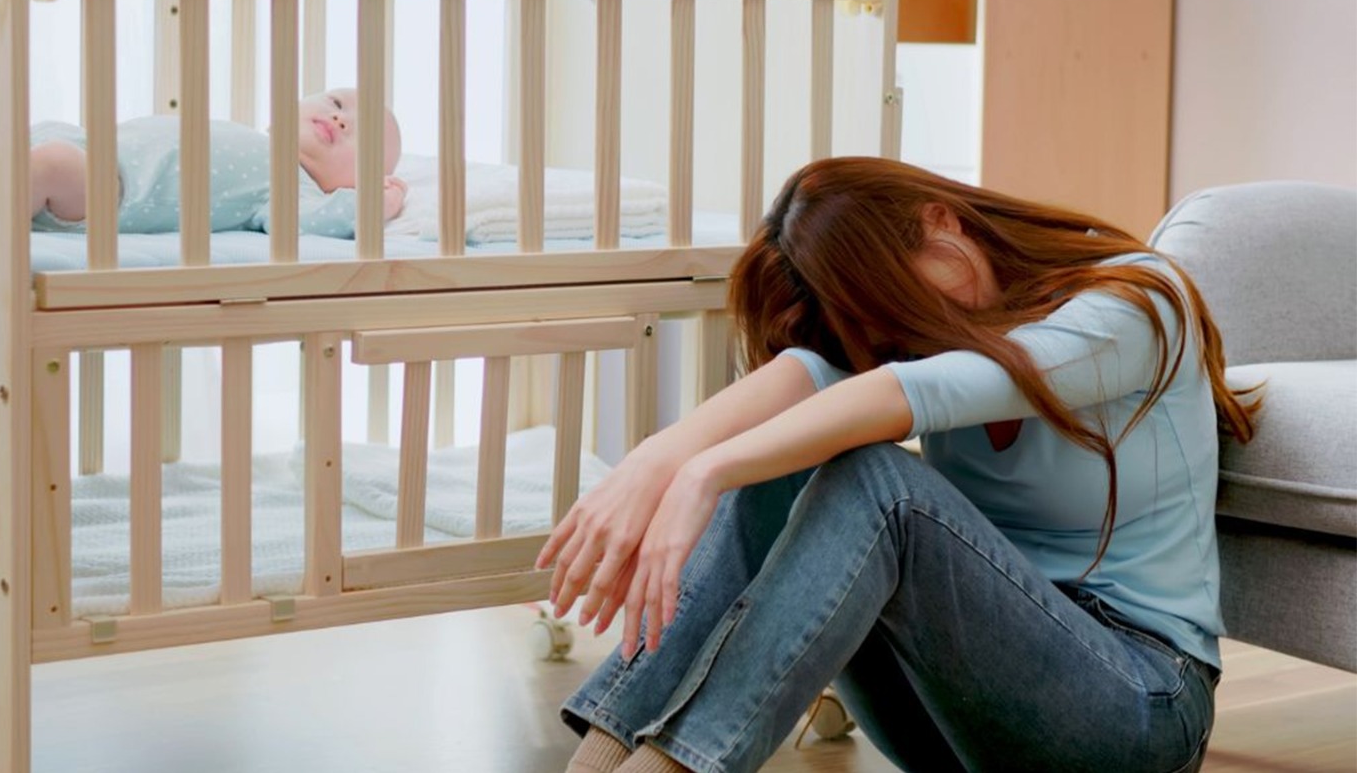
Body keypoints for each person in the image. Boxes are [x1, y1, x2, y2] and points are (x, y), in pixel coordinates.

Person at [537, 157, 1260, 773]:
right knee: (783, 458)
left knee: (878, 482)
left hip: (1137, 707)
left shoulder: (1133, 303)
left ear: (942, 220)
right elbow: (806, 376)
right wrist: (657, 459)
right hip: (957, 721)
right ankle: (600, 756)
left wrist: (702, 473)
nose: (901, 336)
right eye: (876, 325)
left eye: (896, 302)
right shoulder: (924, 339)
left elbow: (928, 391)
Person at [0, 87, 407, 238]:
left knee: (50, 163)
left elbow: (315, 225)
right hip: (86, 146)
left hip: (110, 191)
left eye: (355, 134)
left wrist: (372, 208)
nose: (338, 121)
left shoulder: (293, 191)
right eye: (336, 104)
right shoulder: (253, 138)